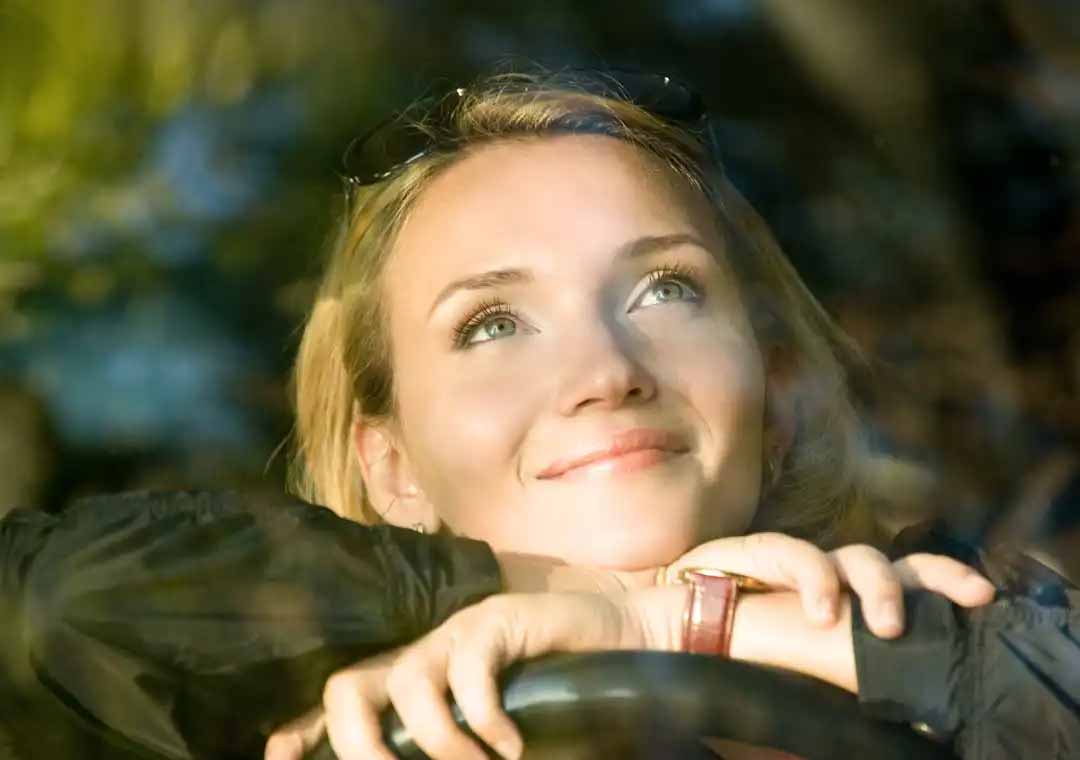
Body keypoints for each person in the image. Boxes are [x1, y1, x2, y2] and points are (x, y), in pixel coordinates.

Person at [0, 69, 1075, 760]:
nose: (604, 371)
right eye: (491, 325)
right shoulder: (338, 719)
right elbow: (51, 603)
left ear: (776, 397)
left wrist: (670, 625)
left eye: (665, 289)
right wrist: (555, 596)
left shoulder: (960, 619)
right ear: (391, 466)